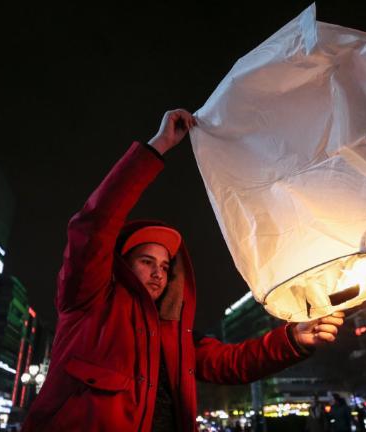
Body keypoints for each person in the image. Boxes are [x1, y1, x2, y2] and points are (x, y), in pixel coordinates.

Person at [22, 109, 345, 431]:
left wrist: (294, 338)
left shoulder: (175, 334)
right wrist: (158, 146)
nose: (159, 273)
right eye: (146, 262)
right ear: (121, 264)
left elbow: (231, 363)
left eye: (164, 266)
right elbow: (94, 225)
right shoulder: (88, 302)